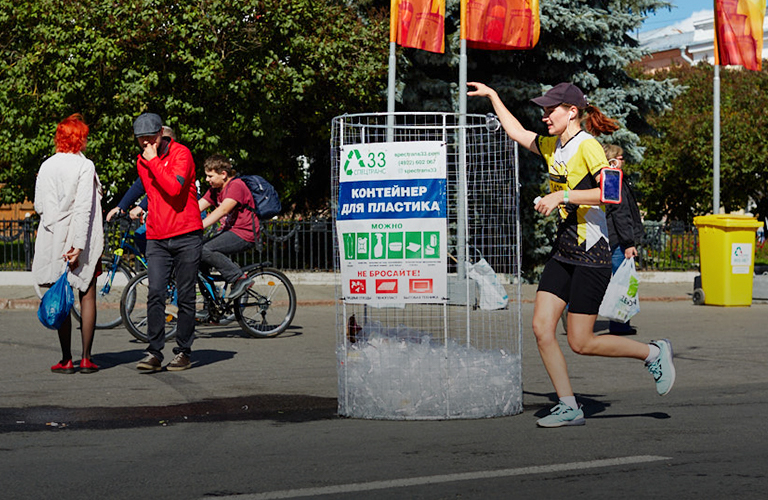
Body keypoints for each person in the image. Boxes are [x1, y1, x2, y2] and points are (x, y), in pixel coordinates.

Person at [467, 81, 675, 427]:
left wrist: (560, 197)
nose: (545, 116)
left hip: (592, 253)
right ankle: (569, 406)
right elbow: (517, 132)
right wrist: (494, 97)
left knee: (581, 341)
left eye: (551, 110)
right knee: (541, 328)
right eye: (544, 110)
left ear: (572, 111)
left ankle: (653, 353)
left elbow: (610, 194)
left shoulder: (589, 147)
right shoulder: (553, 146)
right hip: (564, 249)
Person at [32, 114, 103, 374]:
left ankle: (66, 359)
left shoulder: (47, 165)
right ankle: (86, 358)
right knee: (87, 293)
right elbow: (84, 208)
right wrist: (79, 245)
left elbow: (39, 206)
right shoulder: (85, 166)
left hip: (53, 237)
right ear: (80, 139)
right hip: (79, 237)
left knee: (60, 293)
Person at [132, 113, 202, 372]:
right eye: (141, 140)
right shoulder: (143, 160)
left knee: (185, 296)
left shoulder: (182, 154)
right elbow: (151, 194)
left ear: (161, 133)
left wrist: (153, 163)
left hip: (186, 234)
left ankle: (183, 351)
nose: (146, 144)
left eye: (151, 137)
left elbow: (173, 188)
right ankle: (153, 352)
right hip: (158, 237)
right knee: (155, 293)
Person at [198, 155, 256, 299]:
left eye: (210, 176)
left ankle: (239, 278)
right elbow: (195, 208)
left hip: (244, 233)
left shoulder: (236, 185)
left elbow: (223, 210)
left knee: (204, 249)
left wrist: (198, 225)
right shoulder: (214, 190)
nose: (207, 180)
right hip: (229, 231)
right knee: (195, 254)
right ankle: (211, 303)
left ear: (223, 174)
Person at [603, 144, 645, 335]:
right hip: (618, 240)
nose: (623, 161)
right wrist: (628, 243)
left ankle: (570, 308)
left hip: (614, 238)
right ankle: (620, 325)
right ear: (612, 159)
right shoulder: (613, 180)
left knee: (615, 282)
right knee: (623, 284)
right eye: (620, 157)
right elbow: (620, 214)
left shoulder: (613, 179)